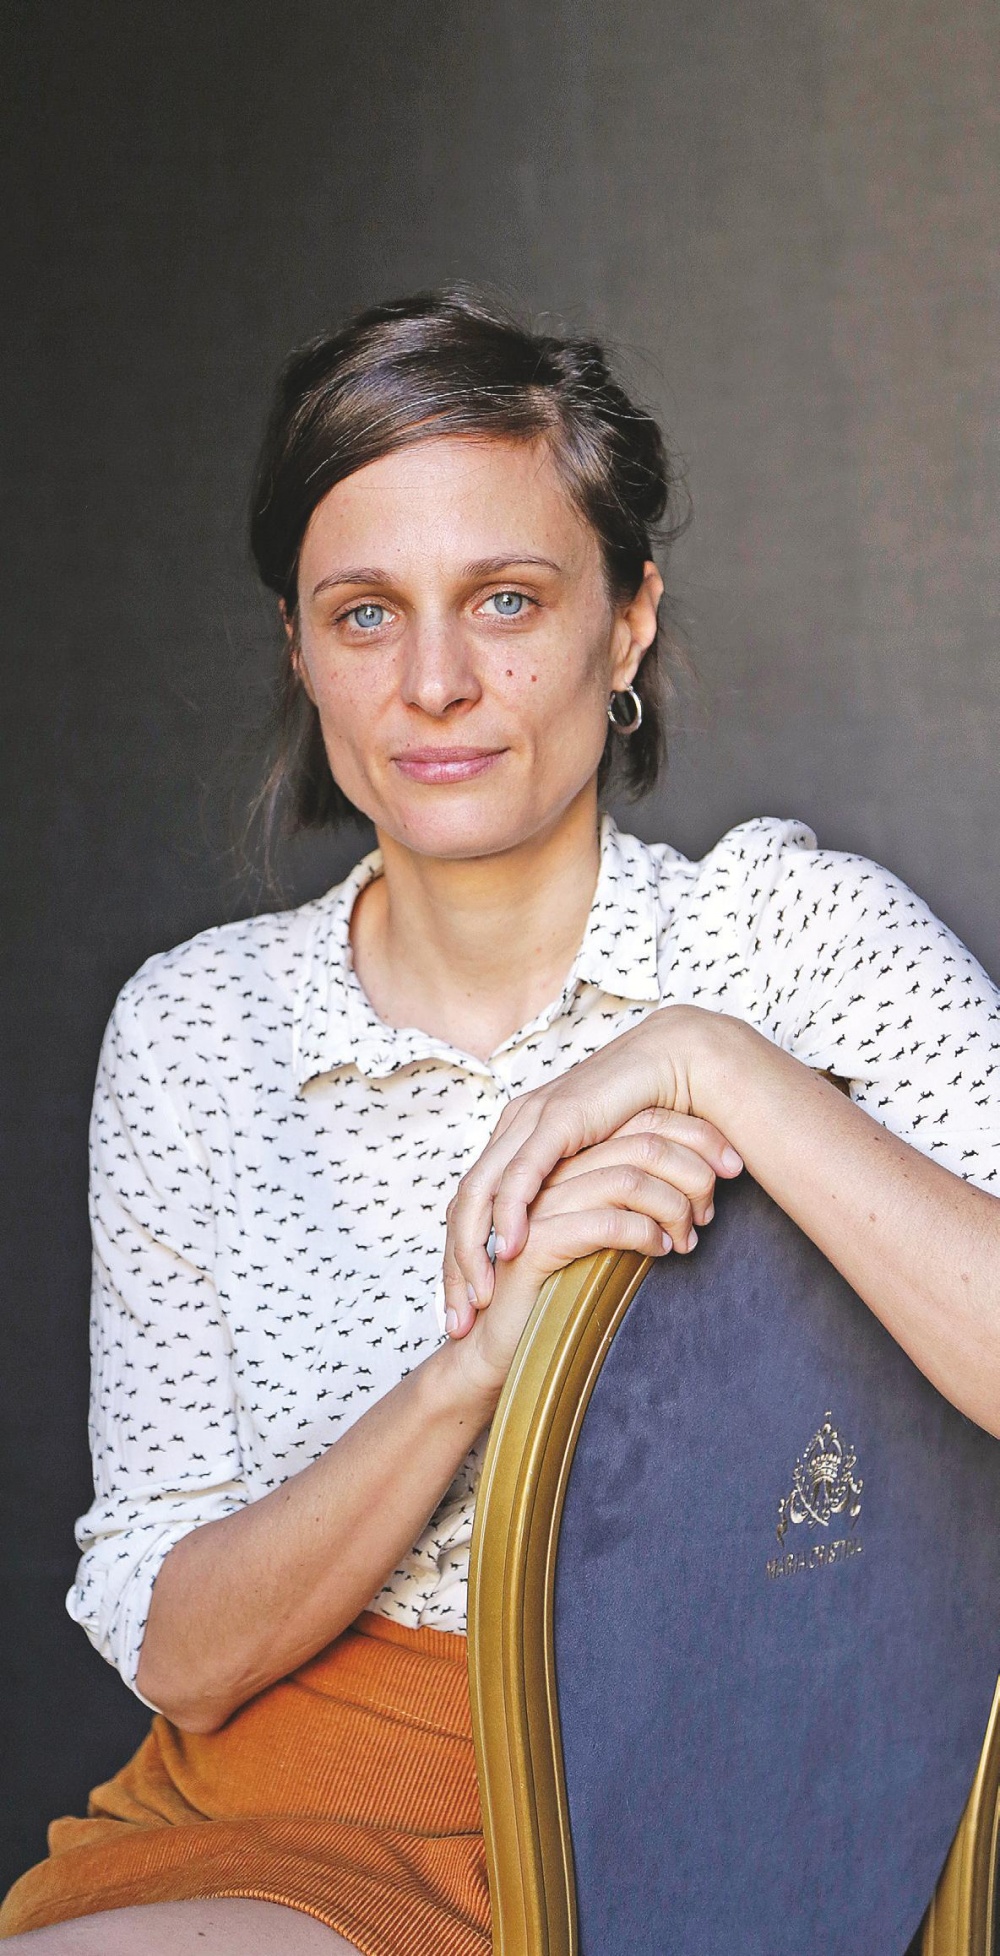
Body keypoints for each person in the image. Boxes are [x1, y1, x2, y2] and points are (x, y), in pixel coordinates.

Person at [2, 289, 997, 1955]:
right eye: (366, 614)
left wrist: (714, 1064)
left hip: (734, 1779)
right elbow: (183, 1656)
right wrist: (478, 1368)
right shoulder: (197, 1030)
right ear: (298, 648)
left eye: (508, 599)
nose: (437, 683)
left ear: (628, 623)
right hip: (285, 1805)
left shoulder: (791, 942)